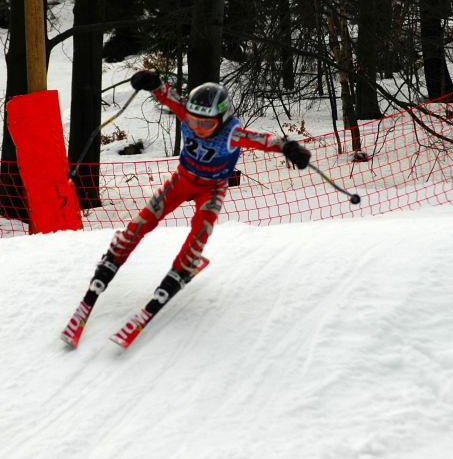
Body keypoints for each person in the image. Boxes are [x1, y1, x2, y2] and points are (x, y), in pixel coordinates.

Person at [61, 70, 311, 347]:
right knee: (144, 220)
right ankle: (113, 258)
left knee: (201, 228)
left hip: (211, 188)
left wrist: (289, 147)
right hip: (182, 180)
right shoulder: (186, 113)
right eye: (193, 120)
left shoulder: (231, 133)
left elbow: (263, 140)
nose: (198, 127)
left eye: (206, 123)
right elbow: (167, 96)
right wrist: (153, 83)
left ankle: (184, 265)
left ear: (221, 119)